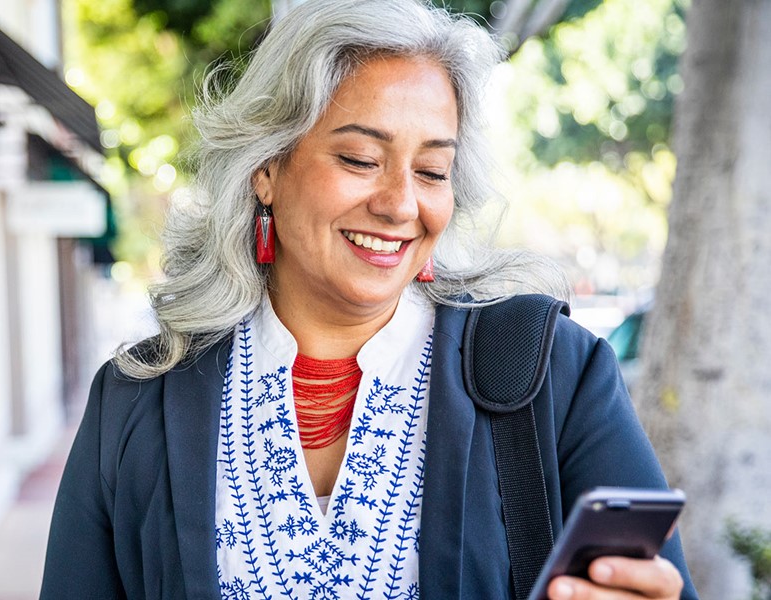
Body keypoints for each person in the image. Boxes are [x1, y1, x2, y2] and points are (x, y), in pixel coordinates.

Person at [40, 1, 697, 598]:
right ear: (267, 168)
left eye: (432, 171)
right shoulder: (137, 403)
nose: (400, 204)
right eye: (360, 158)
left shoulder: (555, 374)